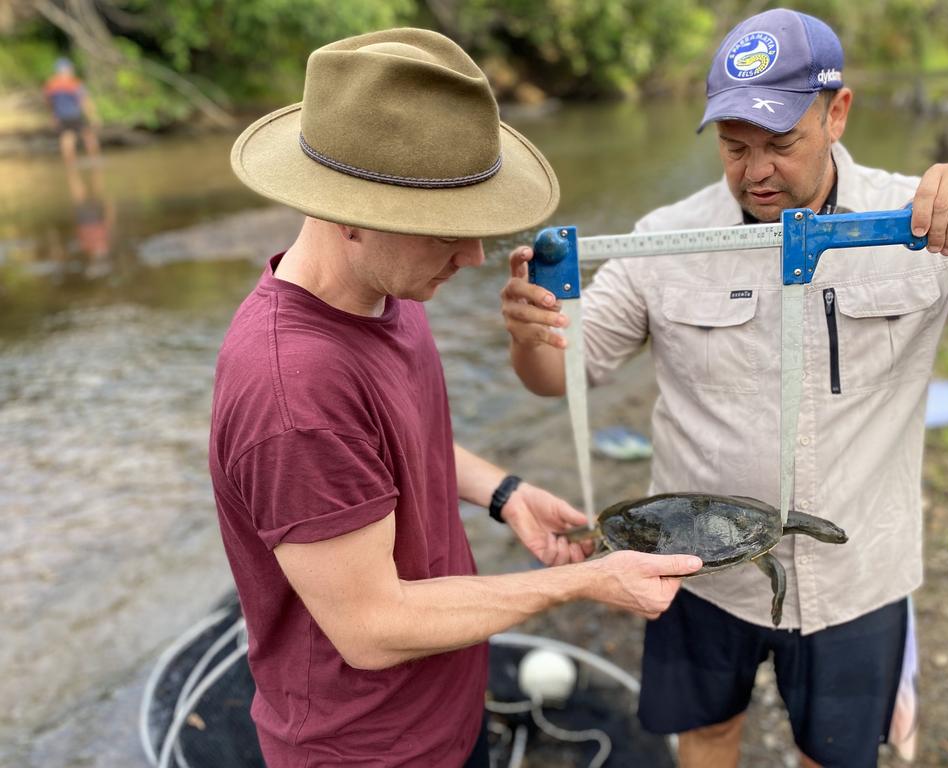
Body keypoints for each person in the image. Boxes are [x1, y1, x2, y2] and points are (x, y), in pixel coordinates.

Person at [500, 9, 948, 768]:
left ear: (837, 112)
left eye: (781, 143)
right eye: (734, 145)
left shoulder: (921, 224)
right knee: (707, 732)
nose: (754, 171)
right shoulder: (664, 238)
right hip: (698, 572)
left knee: (835, 751)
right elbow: (559, 377)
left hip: (858, 573)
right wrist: (529, 333)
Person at [208, 28, 703, 768]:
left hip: (444, 710)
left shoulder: (382, 287)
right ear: (350, 214)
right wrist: (584, 582)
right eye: (447, 230)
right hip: (366, 750)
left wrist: (504, 493)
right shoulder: (293, 393)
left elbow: (395, 442)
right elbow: (371, 625)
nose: (472, 257)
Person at [43, 58, 101, 168]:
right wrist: (93, 116)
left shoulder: (51, 84)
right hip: (75, 115)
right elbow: (84, 101)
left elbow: (49, 103)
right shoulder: (74, 83)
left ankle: (70, 166)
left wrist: (53, 115)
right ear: (67, 69)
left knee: (66, 139)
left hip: (61, 116)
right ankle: (95, 162)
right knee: (89, 136)